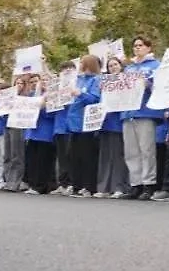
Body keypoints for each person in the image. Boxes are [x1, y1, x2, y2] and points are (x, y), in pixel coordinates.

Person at [122, 37, 163, 201]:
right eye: (135, 46)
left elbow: (162, 87)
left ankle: (148, 183)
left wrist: (149, 85)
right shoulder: (128, 68)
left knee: (147, 150)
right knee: (131, 151)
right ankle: (135, 183)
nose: (137, 48)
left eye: (140, 45)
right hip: (128, 113)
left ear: (148, 48)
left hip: (145, 112)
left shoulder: (156, 66)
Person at [68, 55, 103, 198]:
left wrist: (80, 94)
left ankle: (89, 186)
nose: (80, 64)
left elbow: (95, 99)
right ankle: (77, 185)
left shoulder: (96, 80)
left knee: (87, 156)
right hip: (74, 122)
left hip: (86, 123)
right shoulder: (78, 79)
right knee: (74, 156)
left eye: (82, 62)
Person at [98, 57, 131, 199]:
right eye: (110, 66)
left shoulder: (126, 80)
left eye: (115, 64)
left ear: (121, 66)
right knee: (105, 157)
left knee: (118, 157)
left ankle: (119, 187)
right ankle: (104, 187)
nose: (113, 67)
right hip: (105, 123)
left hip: (118, 123)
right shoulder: (105, 82)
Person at [50, 62, 76, 195]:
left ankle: (70, 183)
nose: (66, 71)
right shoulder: (57, 86)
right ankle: (62, 183)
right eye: (64, 69)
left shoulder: (76, 84)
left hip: (70, 126)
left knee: (69, 156)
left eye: (70, 68)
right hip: (59, 126)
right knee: (61, 157)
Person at [1, 75, 30, 193]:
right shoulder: (8, 98)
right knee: (7, 155)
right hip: (8, 125)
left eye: (21, 83)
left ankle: (15, 182)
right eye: (17, 83)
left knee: (16, 155)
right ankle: (8, 181)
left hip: (18, 125)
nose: (18, 85)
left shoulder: (26, 97)